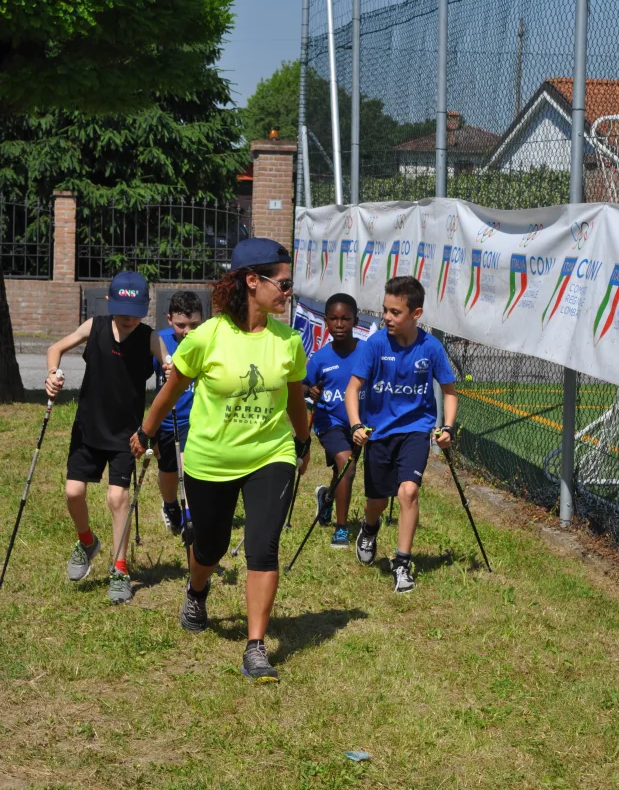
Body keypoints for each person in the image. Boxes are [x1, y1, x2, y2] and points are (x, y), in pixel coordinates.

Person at [130, 237, 310, 683]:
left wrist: (303, 444)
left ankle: (255, 647)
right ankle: (197, 588)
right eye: (283, 284)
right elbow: (168, 393)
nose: (289, 292)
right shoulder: (207, 337)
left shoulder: (287, 342)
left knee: (263, 546)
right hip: (211, 458)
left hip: (271, 454)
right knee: (207, 545)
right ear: (253, 281)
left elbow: (295, 401)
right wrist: (145, 433)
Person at [45, 271, 164, 604]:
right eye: (122, 309)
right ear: (110, 303)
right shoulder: (94, 326)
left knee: (117, 499)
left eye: (136, 310)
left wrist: (170, 370)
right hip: (88, 427)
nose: (128, 317)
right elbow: (56, 348)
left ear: (145, 308)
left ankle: (120, 569)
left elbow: (171, 367)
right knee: (73, 492)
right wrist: (52, 374)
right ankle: (87, 542)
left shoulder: (150, 338)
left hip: (126, 435)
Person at [344, 275, 458, 593]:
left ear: (416, 314)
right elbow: (353, 390)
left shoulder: (431, 347)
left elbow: (449, 392)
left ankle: (402, 563)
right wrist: (355, 425)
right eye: (385, 310)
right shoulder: (376, 344)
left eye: (395, 312)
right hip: (379, 433)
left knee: (408, 492)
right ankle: (369, 527)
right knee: (376, 502)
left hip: (416, 430)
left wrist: (447, 427)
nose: (387, 317)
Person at [303, 293, 365, 548]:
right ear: (325, 321)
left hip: (359, 422)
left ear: (355, 321)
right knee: (347, 465)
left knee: (343, 471)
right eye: (333, 319)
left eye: (345, 319)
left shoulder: (367, 352)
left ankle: (326, 499)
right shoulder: (320, 358)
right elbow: (301, 386)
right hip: (329, 421)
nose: (339, 324)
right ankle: (341, 529)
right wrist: (310, 391)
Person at [152, 290, 204, 535]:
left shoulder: (206, 342)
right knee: (168, 471)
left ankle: (190, 518)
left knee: (188, 464)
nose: (188, 331)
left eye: (194, 324)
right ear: (169, 319)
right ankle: (171, 505)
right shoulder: (161, 341)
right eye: (181, 325)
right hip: (167, 419)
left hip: (195, 419)